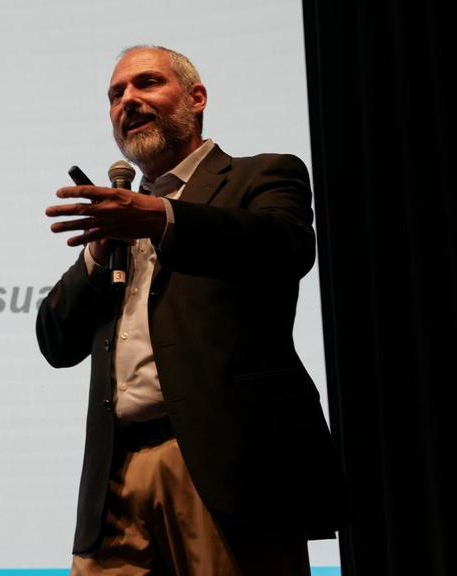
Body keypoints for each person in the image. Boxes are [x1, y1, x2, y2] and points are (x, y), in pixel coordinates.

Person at [36, 45, 347, 575]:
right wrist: (96, 251)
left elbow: (286, 247)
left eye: (146, 84)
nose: (127, 101)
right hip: (115, 477)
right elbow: (56, 342)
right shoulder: (117, 219)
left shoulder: (261, 175)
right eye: (116, 94)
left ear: (196, 98)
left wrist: (161, 217)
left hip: (223, 465)